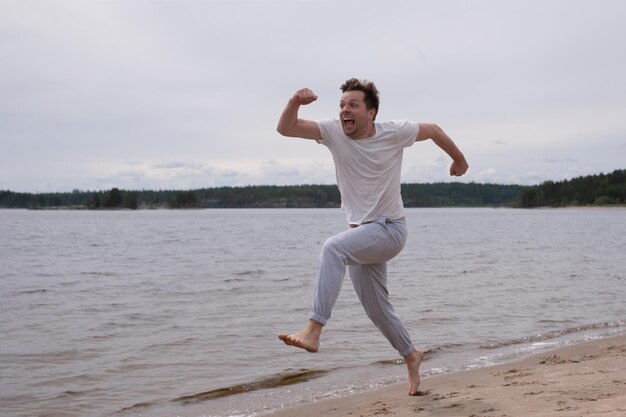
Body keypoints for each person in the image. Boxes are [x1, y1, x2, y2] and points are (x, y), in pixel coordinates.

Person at [276, 78, 468, 396]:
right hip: (362, 235)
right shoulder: (333, 131)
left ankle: (314, 329)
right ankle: (412, 355)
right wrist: (295, 101)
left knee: (332, 249)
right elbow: (286, 128)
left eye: (352, 105)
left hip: (390, 230)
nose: (344, 111)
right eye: (341, 105)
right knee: (377, 309)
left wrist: (458, 159)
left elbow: (433, 129)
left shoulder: (395, 132)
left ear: (371, 112)